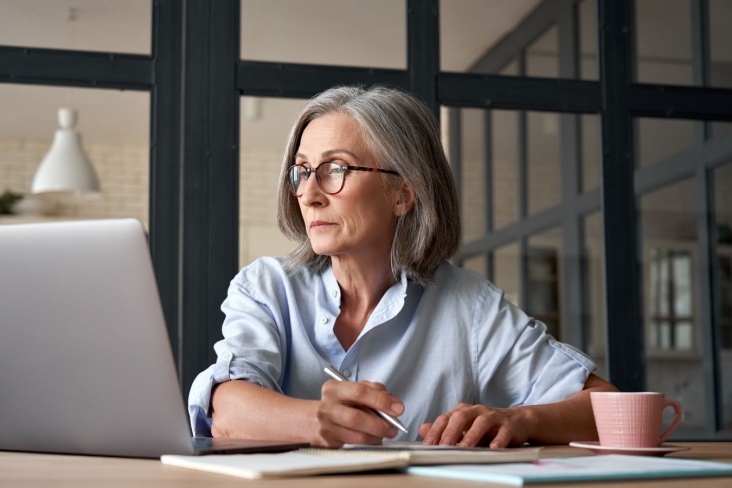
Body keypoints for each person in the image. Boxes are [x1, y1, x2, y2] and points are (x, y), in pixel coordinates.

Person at [188, 85, 617, 448]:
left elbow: (611, 408)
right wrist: (318, 421)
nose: (310, 194)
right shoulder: (266, 287)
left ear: (403, 194)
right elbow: (226, 409)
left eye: (335, 169)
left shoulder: (471, 306)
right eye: (302, 171)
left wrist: (522, 421)